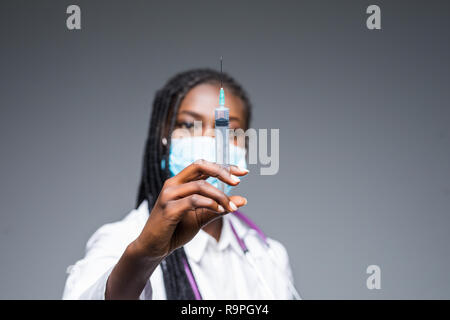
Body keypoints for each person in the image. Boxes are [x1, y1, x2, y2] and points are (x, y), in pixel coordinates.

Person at [62, 69, 296, 300]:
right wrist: (144, 256)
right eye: (189, 125)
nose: (210, 140)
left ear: (244, 146)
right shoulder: (121, 241)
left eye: (229, 129)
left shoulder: (267, 254)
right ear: (162, 139)